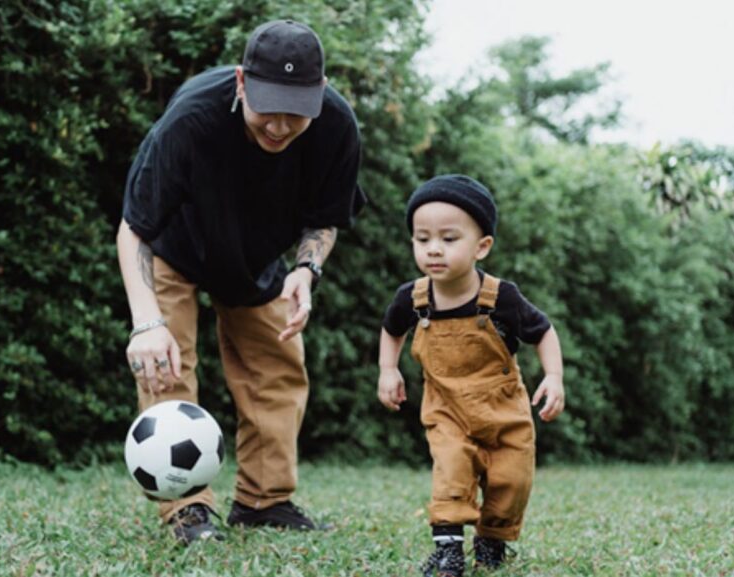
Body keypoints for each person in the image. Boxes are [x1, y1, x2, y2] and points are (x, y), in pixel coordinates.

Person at [117, 20, 365, 545]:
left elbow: (326, 217)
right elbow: (135, 228)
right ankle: (186, 509)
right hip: (175, 247)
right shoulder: (191, 118)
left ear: (319, 94)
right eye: (267, 106)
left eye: (295, 112)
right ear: (240, 82)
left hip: (255, 258)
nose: (278, 125)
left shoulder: (337, 126)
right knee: (165, 369)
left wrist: (306, 269)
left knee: (278, 367)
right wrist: (147, 323)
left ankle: (264, 500)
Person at [375, 175, 565, 575]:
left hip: (504, 409)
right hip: (446, 408)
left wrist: (554, 376)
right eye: (422, 239)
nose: (434, 250)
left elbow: (543, 331)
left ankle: (492, 539)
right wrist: (388, 369)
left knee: (511, 482)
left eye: (448, 238)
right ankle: (447, 552)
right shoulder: (413, 298)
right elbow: (391, 330)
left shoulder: (502, 298)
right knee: (450, 470)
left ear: (482, 247)